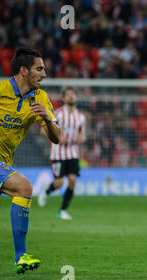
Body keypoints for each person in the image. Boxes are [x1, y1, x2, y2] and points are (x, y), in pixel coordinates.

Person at [0, 47, 61, 273]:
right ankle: (21, 256)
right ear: (24, 70)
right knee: (24, 188)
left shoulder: (40, 97)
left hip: (2, 162)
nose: (44, 74)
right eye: (39, 69)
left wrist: (47, 119)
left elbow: (57, 138)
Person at [38, 87, 86, 220]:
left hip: (73, 154)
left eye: (73, 94)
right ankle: (47, 191)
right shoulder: (57, 114)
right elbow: (43, 130)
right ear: (63, 98)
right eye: (68, 95)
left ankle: (62, 211)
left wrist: (79, 138)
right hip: (58, 154)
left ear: (76, 98)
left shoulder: (81, 117)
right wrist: (58, 137)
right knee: (59, 183)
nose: (71, 96)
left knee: (72, 180)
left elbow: (83, 136)